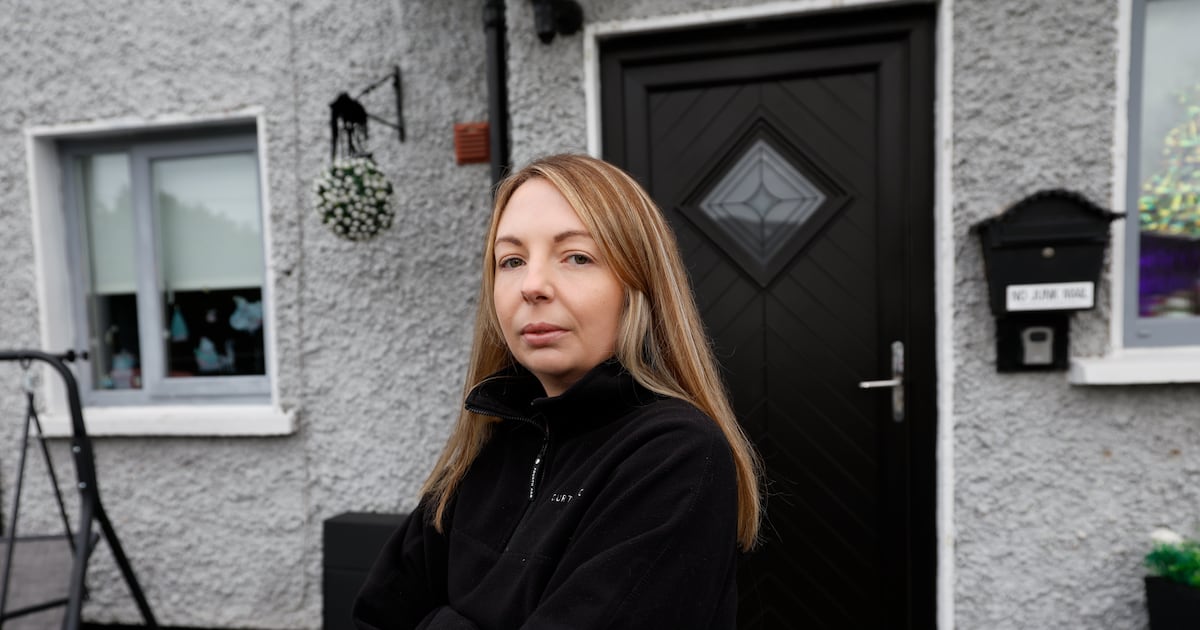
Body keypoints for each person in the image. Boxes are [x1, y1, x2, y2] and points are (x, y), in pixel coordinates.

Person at [353, 154, 762, 630]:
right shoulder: (486, 446)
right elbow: (375, 615)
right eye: (511, 260)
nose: (532, 285)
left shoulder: (675, 455)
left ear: (638, 285)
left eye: (577, 257)